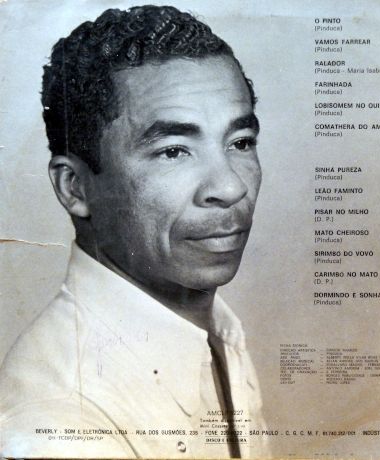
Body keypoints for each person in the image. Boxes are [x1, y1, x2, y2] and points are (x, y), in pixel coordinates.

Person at [0, 5, 269, 458]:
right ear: (74, 187)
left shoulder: (217, 329)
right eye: (173, 151)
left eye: (240, 143)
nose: (230, 187)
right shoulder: (60, 418)